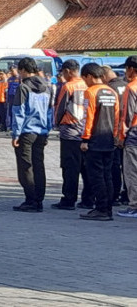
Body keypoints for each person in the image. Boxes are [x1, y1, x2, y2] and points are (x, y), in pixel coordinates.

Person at [79, 63, 120, 221]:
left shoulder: (90, 92)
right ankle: (107, 208)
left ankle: (101, 208)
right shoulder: (111, 91)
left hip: (95, 140)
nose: (85, 82)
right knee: (107, 175)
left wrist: (85, 139)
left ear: (89, 76)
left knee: (96, 176)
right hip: (109, 139)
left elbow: (88, 117)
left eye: (84, 79)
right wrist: (115, 136)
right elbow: (117, 116)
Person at [11, 57, 52, 213]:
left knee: (26, 167)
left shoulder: (23, 87)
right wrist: (47, 130)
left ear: (23, 70)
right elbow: (49, 112)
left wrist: (15, 134)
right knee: (39, 166)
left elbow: (18, 112)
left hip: (27, 132)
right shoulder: (47, 87)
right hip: (41, 131)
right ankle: (39, 199)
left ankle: (31, 200)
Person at [50, 59, 91, 210]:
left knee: (70, 168)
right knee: (87, 168)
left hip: (70, 132)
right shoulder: (88, 84)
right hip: (86, 132)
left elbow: (60, 107)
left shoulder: (68, 86)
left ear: (67, 71)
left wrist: (57, 124)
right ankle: (88, 199)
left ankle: (69, 199)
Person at [103, 66, 128, 205]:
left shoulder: (108, 89)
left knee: (114, 165)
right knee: (127, 167)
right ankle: (127, 194)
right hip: (129, 132)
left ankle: (114, 195)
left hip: (116, 132)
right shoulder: (127, 85)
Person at [117, 56, 137, 218]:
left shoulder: (131, 87)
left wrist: (121, 137)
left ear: (131, 69)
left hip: (134, 134)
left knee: (132, 172)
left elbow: (127, 116)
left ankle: (134, 206)